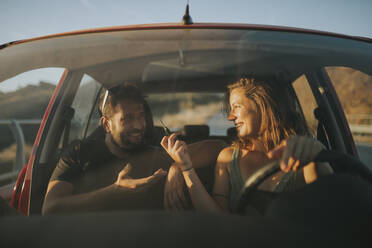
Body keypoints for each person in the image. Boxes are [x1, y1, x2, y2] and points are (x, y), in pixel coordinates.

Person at [42, 84, 225, 214]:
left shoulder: (155, 147)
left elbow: (218, 146)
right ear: (107, 124)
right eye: (127, 118)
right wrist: (113, 192)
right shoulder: (79, 153)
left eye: (141, 116)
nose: (139, 125)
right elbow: (50, 208)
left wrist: (177, 166)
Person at [161, 78, 332, 213]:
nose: (230, 117)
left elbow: (332, 213)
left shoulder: (304, 153)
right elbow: (219, 220)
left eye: (236, 107)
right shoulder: (228, 157)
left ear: (262, 106)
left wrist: (318, 156)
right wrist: (186, 168)